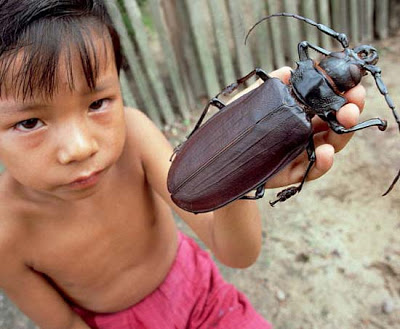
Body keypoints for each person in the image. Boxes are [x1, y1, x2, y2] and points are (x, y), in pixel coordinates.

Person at [0, 1, 365, 328]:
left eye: (97, 103)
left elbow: (237, 255)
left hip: (204, 296)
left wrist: (242, 166)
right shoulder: (5, 234)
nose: (79, 147)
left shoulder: (135, 137)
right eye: (29, 122)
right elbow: (62, 323)